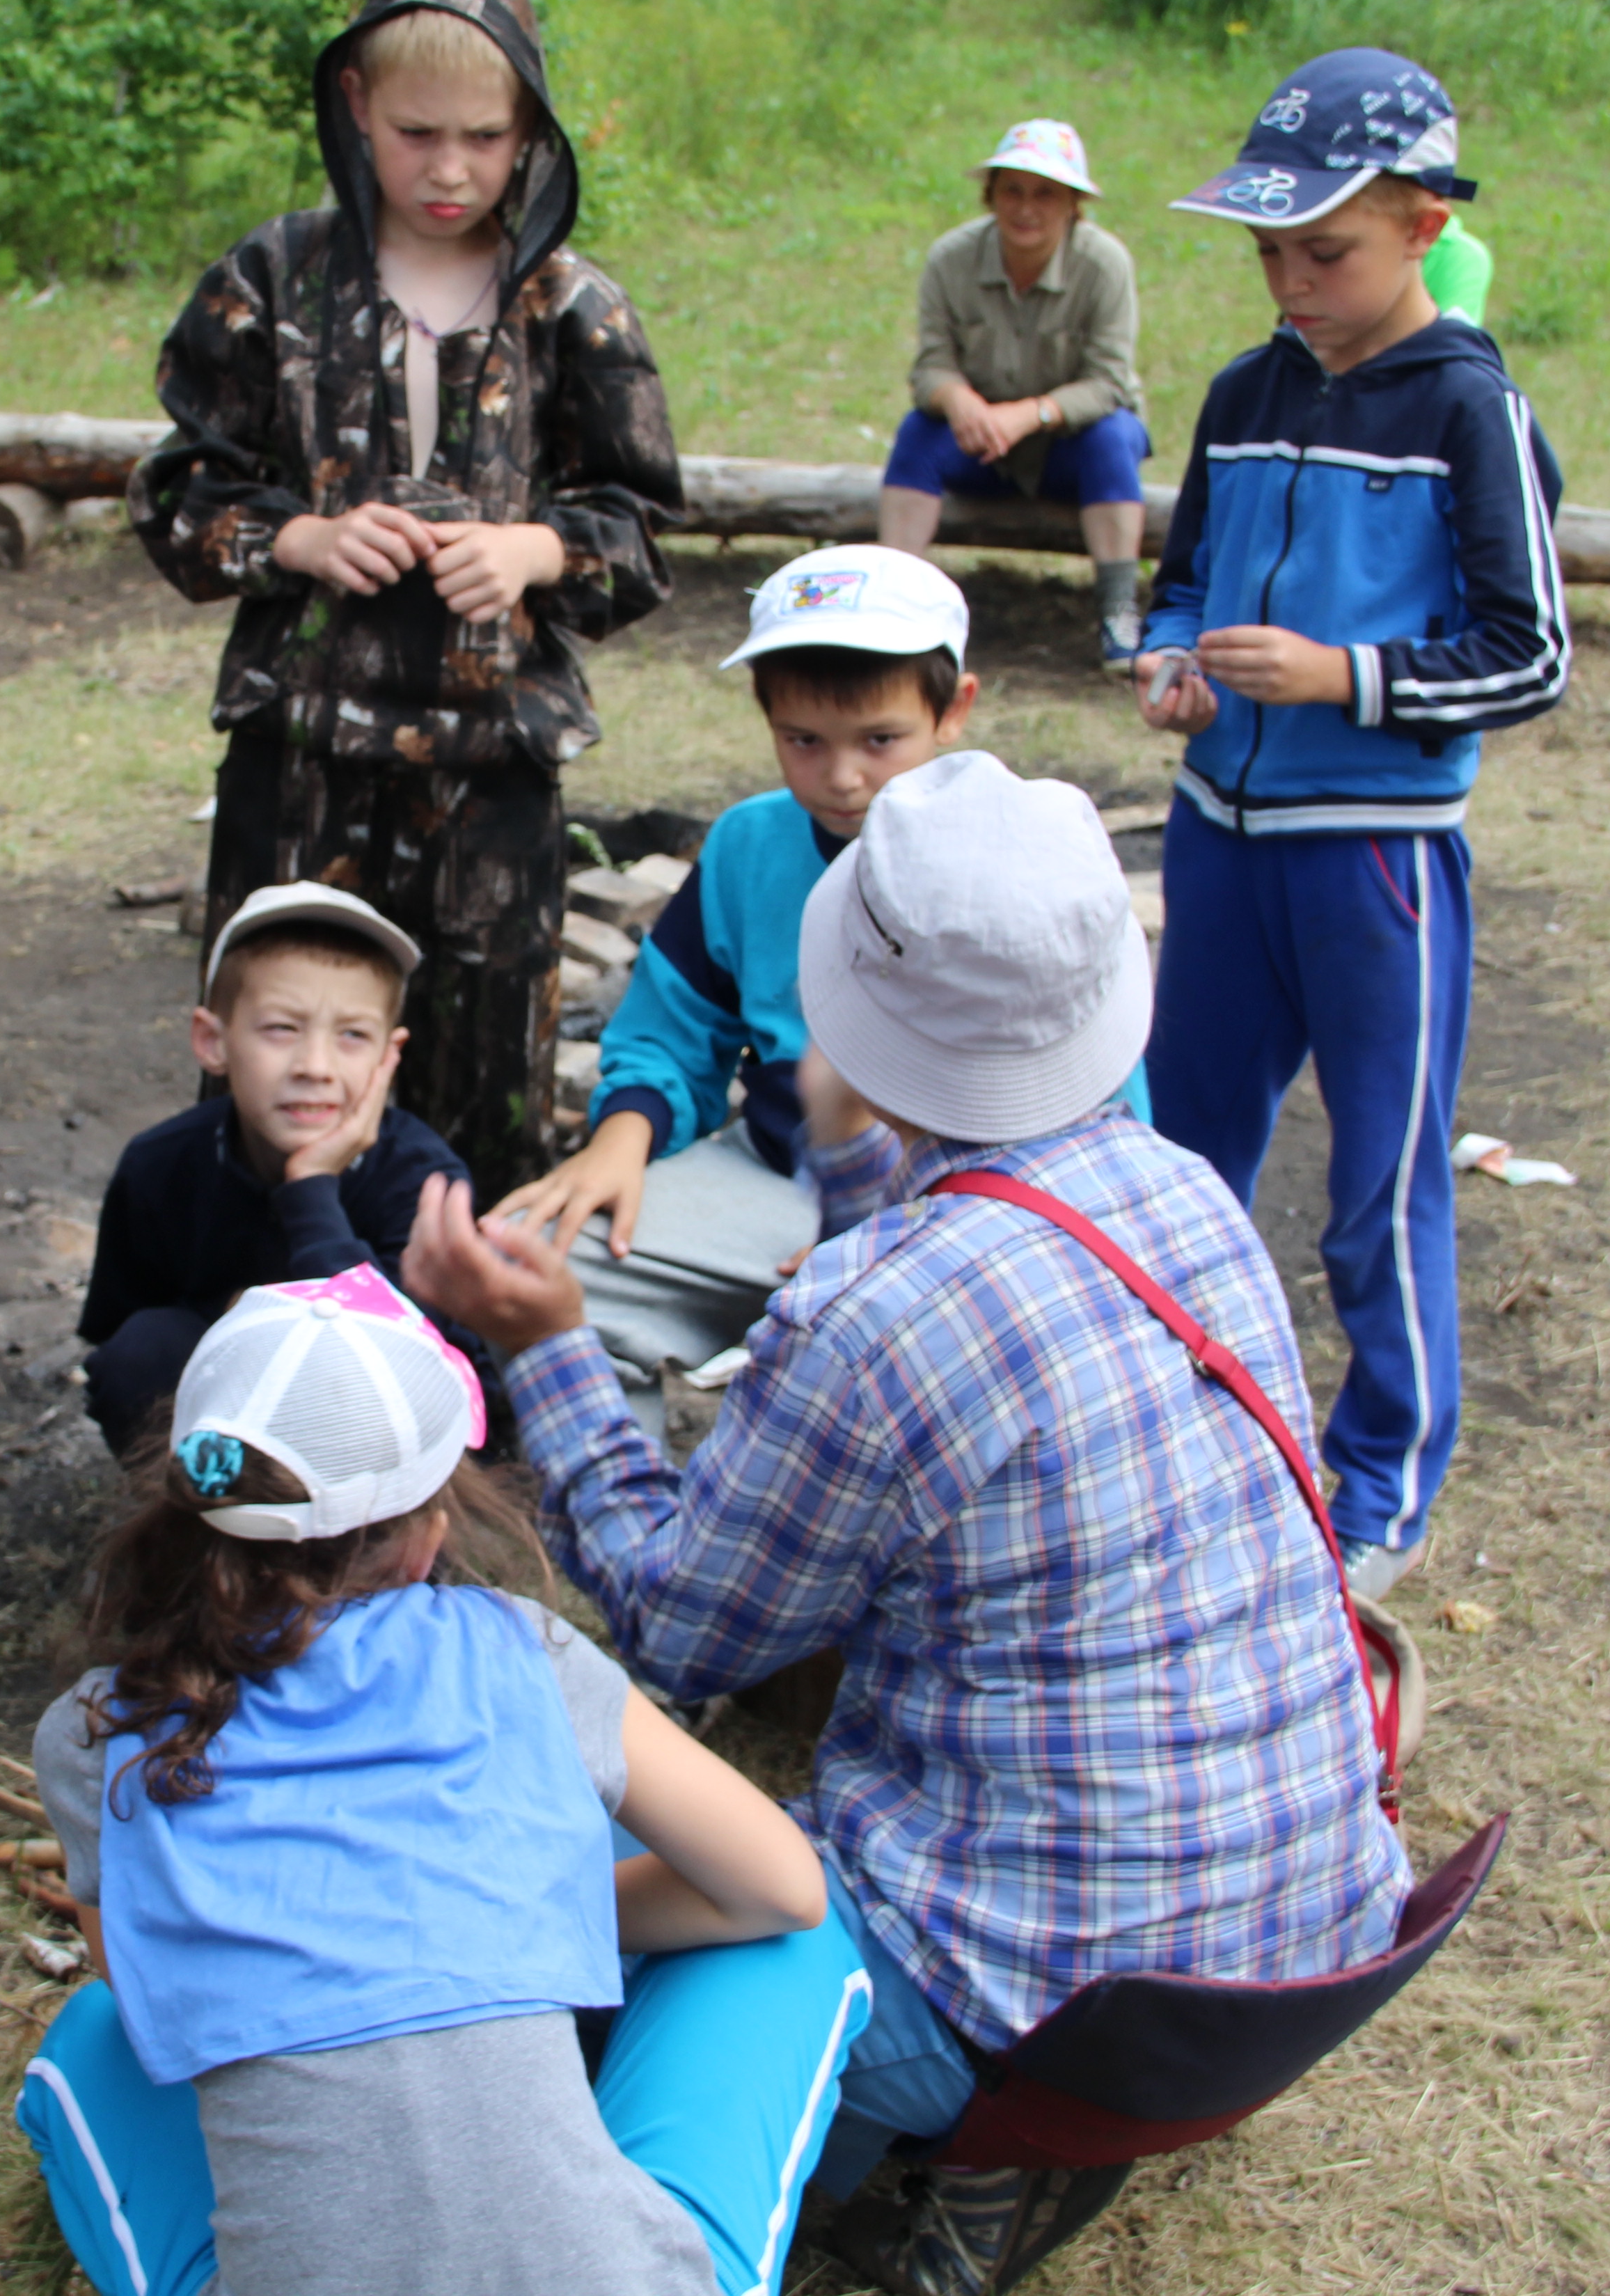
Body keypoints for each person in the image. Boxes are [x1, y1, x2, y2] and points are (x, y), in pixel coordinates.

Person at [404, 752, 1413, 2296]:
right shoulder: (1186, 1191)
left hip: (1036, 1999)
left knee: (563, 1828)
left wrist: (544, 1350)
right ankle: (1008, 2156)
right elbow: (977, 1289)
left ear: (849, 1016)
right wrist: (866, 1151)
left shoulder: (870, 1318)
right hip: (1300, 1954)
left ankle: (884, 2145)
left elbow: (681, 1622)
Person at [12, 1266, 874, 2296]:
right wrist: (520, 1903)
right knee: (800, 1942)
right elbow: (781, 1889)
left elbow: (157, 1995)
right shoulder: (524, 1653)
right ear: (428, 1530)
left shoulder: (95, 1737)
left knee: (90, 2045)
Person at [133, 0, 681, 1196]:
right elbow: (174, 498)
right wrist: (298, 539)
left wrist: (535, 550)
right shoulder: (272, 282)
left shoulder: (571, 308)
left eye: (483, 139)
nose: (448, 169)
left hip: (493, 779)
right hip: (303, 766)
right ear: (354, 114)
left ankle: (463, 1373)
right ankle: (266, 1350)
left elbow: (641, 532)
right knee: (276, 1087)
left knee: (483, 1095)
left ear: (528, 132)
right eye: (414, 132)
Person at [1137, 48, 1568, 1598]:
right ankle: (1171, 1439)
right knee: (1180, 1161)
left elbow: (1531, 654)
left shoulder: (1472, 408)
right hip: (1216, 839)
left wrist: (1344, 679)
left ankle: (1381, 1480)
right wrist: (1168, 659)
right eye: (1269, 250)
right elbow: (1182, 577)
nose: (1292, 280)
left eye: (1326, 249)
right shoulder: (1242, 391)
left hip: (1376, 855)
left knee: (1377, 1183)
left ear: (1421, 224)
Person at [504, 548, 1149, 1384]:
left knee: (907, 1359)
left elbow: (1097, 1110)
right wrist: (621, 1142)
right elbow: (671, 1031)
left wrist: (898, 1242)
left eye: (881, 739)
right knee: (532, 1271)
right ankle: (643, 1503)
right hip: (774, 1179)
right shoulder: (748, 846)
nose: (843, 778)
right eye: (803, 740)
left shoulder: (1025, 861)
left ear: (954, 708)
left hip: (977, 1218)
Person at [75, 884, 471, 1452]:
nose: (315, 1066)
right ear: (214, 1042)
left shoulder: (426, 1182)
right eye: (282, 1029)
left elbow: (394, 1371)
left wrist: (311, 1189)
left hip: (380, 1438)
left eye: (353, 1036)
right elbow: (121, 1334)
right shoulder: (161, 1165)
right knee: (142, 1354)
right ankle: (191, 1520)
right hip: (227, 1417)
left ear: (390, 1056)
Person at [876, 120, 1149, 672]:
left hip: (1068, 442)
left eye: (1046, 193)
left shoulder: (1104, 265)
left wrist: (1030, 415)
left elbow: (1110, 381)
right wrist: (960, 402)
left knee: (1113, 437)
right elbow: (931, 365)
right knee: (917, 435)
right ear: (991, 196)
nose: (1027, 208)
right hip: (978, 440)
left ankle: (1120, 611)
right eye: (1013, 191)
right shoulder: (950, 258)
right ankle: (888, 606)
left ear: (1073, 204)